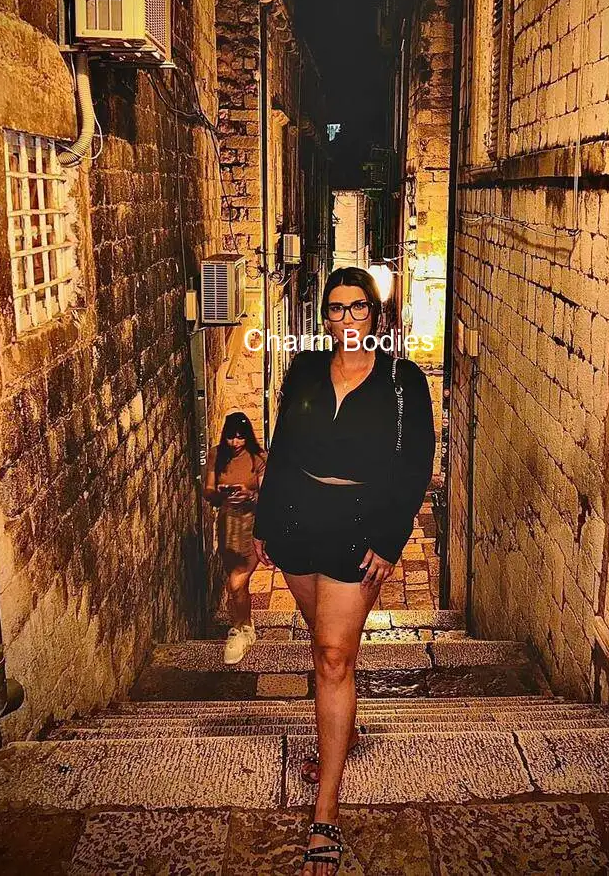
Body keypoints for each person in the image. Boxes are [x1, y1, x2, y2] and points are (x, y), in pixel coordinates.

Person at [253, 267, 435, 875]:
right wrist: (263, 525)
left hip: (359, 529)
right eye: (336, 308)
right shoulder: (305, 369)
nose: (347, 319)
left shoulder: (404, 382)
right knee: (322, 640)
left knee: (334, 656)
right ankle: (343, 732)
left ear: (375, 317)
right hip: (297, 521)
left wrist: (391, 538)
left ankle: (325, 813)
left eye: (358, 308)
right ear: (324, 316)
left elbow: (416, 465)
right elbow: (282, 448)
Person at [204, 412, 266, 664]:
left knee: (236, 584)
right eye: (231, 437)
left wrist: (249, 495)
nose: (235, 443)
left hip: (251, 527)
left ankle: (237, 629)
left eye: (240, 437)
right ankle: (247, 625)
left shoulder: (258, 458)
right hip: (227, 526)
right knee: (238, 582)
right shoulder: (216, 454)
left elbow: (268, 495)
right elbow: (207, 490)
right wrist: (220, 493)